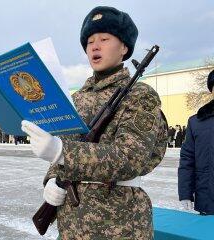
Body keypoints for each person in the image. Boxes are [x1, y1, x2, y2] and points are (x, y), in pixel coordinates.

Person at [21, 6, 168, 239]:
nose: (95, 46)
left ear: (124, 48)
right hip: (72, 224)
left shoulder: (140, 95)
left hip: (119, 225)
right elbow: (66, 148)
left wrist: (61, 151)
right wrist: (51, 178)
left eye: (104, 38)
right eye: (89, 42)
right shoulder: (76, 98)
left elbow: (130, 158)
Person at [178, 69, 214, 215]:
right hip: (208, 199)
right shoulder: (197, 122)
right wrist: (185, 193)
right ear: (211, 90)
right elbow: (187, 159)